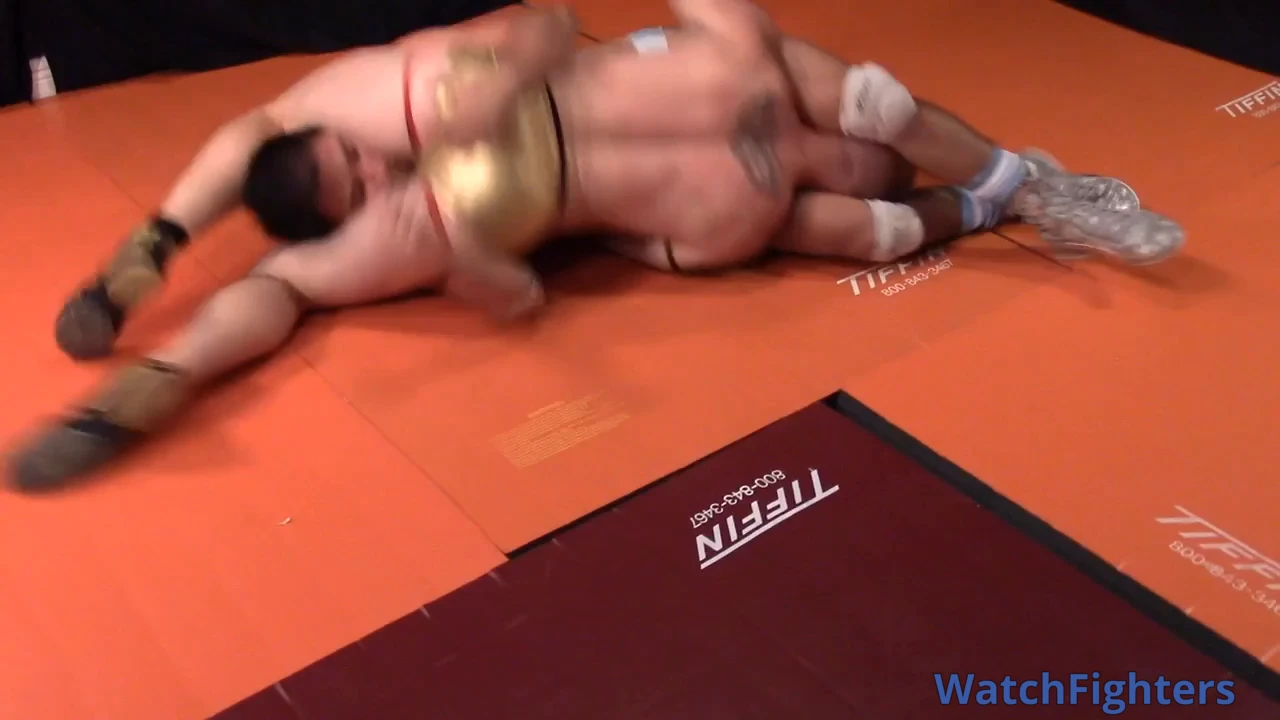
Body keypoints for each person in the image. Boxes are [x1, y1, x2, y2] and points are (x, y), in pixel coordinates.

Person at [9, 0, 1180, 491]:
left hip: (681, 93)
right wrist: (474, 269)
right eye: (349, 186)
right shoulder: (373, 233)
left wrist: (159, 237)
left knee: (867, 106)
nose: (372, 174)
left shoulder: (386, 93)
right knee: (862, 226)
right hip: (682, 201)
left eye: (351, 160)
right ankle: (987, 208)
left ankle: (1021, 183)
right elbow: (291, 288)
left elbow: (551, 22)